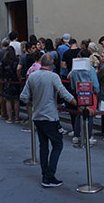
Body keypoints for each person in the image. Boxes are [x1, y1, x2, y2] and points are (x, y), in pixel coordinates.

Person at [20, 53, 78, 188]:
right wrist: (77, 103)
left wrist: (32, 102)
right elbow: (64, 93)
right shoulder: (53, 77)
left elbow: (23, 97)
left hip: (37, 116)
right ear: (51, 64)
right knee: (58, 144)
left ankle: (45, 174)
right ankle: (49, 176)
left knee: (43, 145)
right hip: (50, 116)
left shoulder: (32, 76)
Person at [0, 46, 21, 123]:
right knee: (16, 100)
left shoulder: (4, 60)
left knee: (8, 100)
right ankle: (17, 117)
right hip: (15, 81)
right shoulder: (16, 60)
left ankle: (9, 118)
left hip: (7, 81)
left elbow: (1, 71)